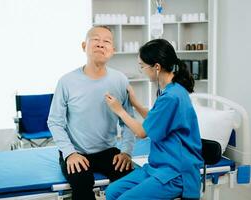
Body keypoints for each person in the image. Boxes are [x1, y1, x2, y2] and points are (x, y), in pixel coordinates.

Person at [105, 39, 203, 200]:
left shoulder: (172, 96)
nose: (142, 70)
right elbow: (155, 119)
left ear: (156, 67)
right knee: (112, 192)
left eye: (142, 66)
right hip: (158, 166)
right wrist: (135, 103)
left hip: (175, 171)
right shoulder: (170, 90)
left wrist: (119, 110)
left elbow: (143, 132)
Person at [47, 26, 135, 200]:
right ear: (83, 46)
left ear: (113, 50)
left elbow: (128, 121)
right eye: (95, 39)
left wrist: (126, 151)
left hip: (108, 151)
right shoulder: (67, 81)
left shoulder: (120, 80)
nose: (101, 44)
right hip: (76, 152)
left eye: (106, 41)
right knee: (82, 186)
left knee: (130, 184)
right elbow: (55, 121)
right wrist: (69, 153)